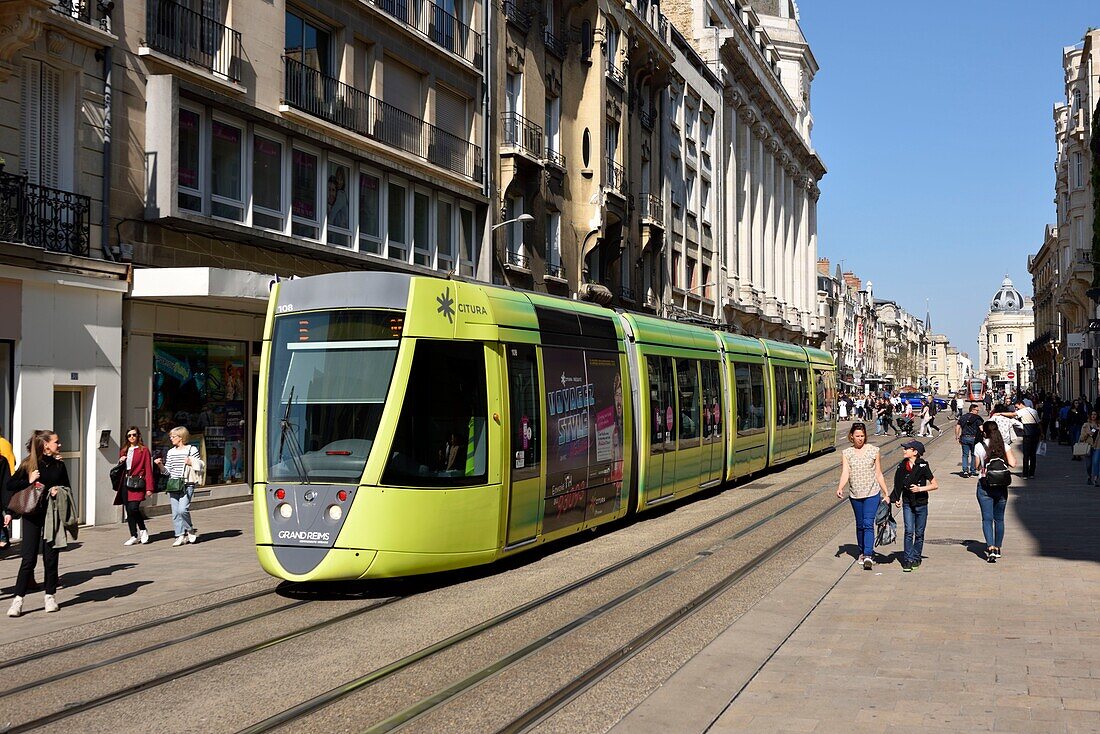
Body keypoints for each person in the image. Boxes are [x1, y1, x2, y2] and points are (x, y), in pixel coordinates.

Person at [4, 430, 70, 616]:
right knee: (28, 559)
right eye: (56, 442)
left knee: (50, 558)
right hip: (32, 514)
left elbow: (68, 487)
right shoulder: (29, 464)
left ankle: (50, 597)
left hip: (52, 515)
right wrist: (29, 480)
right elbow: (10, 485)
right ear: (46, 445)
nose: (60, 444)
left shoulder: (59, 466)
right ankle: (17, 601)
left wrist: (59, 490)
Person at [835, 423, 890, 571]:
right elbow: (845, 472)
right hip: (855, 493)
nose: (860, 439)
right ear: (851, 436)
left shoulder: (874, 450)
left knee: (867, 523)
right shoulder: (847, 453)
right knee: (860, 524)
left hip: (872, 493)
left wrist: (886, 492)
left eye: (862, 436)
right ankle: (861, 551)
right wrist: (840, 487)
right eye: (857, 436)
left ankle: (867, 555)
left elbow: (878, 473)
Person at [890, 439, 938, 571]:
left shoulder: (923, 466)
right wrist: (896, 498)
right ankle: (908, 559)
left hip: (921, 503)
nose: (904, 450)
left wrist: (920, 489)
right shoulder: (902, 466)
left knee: (919, 533)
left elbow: (935, 485)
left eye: (907, 449)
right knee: (908, 531)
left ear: (915, 452)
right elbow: (898, 483)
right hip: (907, 503)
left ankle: (916, 557)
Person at [973, 421, 1017, 562]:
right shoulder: (1004, 446)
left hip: (985, 485)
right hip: (1001, 486)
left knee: (987, 519)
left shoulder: (979, 446)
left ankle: (990, 547)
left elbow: (977, 467)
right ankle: (998, 547)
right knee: (999, 519)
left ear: (984, 432)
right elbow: (1013, 464)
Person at [154, 426, 204, 546]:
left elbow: (200, 465)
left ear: (181, 437)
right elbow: (168, 472)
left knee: (182, 510)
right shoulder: (171, 452)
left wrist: (191, 462)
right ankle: (179, 535)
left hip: (187, 483)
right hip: (173, 484)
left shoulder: (191, 449)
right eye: (170, 436)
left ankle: (190, 529)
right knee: (175, 512)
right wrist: (160, 465)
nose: (171, 438)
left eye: (173, 436)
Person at [116, 426, 155, 545]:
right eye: (129, 435)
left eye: (134, 435)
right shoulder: (124, 450)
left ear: (138, 436)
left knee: (134, 508)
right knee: (128, 510)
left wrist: (149, 488)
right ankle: (133, 535)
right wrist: (121, 461)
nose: (132, 437)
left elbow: (148, 469)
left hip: (137, 483)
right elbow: (120, 469)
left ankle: (143, 529)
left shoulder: (144, 450)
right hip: (125, 483)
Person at [1014, 397, 1041, 479]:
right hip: (1035, 434)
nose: (1016, 408)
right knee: (1033, 455)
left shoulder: (1022, 411)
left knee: (1026, 455)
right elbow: (1039, 423)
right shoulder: (1033, 411)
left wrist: (1001, 413)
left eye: (1017, 407)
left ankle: (1025, 474)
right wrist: (1042, 434)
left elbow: (1012, 415)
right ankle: (1032, 473)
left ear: (1020, 404)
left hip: (1027, 435)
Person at [956, 403, 984, 477]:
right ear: (973, 410)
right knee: (974, 454)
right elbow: (981, 429)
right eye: (977, 410)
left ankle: (965, 470)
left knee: (965, 455)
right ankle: (973, 470)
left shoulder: (962, 417)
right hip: (974, 438)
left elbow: (957, 427)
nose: (978, 412)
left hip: (964, 437)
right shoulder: (977, 418)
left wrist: (957, 436)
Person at [1085, 411, 1100, 485]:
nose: (1093, 416)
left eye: (1095, 414)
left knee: (1096, 462)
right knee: (1089, 465)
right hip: (1088, 446)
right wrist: (1094, 429)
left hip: (1097, 446)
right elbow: (1084, 436)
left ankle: (1096, 478)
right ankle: (1089, 476)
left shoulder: (1099, 425)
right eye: (1092, 414)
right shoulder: (1086, 425)